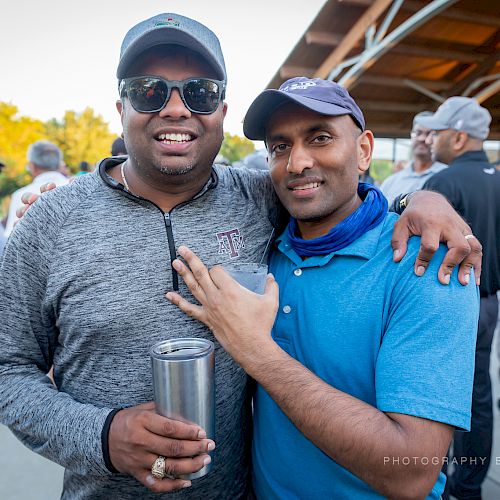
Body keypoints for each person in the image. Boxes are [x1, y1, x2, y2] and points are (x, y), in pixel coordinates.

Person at [0, 13, 481, 500]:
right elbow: (8, 368)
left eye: (199, 92)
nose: (176, 109)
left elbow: (338, 195)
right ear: (120, 107)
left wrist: (423, 202)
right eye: (149, 91)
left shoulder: (258, 198)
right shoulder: (51, 222)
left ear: (221, 111)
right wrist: (101, 437)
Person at [165, 78, 480, 499]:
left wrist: (256, 350)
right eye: (280, 146)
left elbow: (410, 472)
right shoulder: (266, 244)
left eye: (320, 137)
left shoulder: (428, 263)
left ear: (364, 151)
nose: (296, 163)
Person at [419, 96, 500, 500]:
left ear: (459, 136)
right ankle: (470, 485)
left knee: (442, 395)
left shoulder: (443, 184)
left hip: (452, 302)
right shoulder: (497, 178)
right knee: (478, 393)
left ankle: (445, 482)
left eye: (438, 132)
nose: (431, 139)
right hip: (490, 304)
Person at [3, 140, 68, 236]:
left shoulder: (20, 195)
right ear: (59, 164)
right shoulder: (76, 188)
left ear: (32, 166)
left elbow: (10, 239)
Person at [380, 111, 447, 204]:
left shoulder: (447, 177)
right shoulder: (390, 182)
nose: (422, 138)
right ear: (411, 135)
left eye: (429, 133)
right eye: (418, 133)